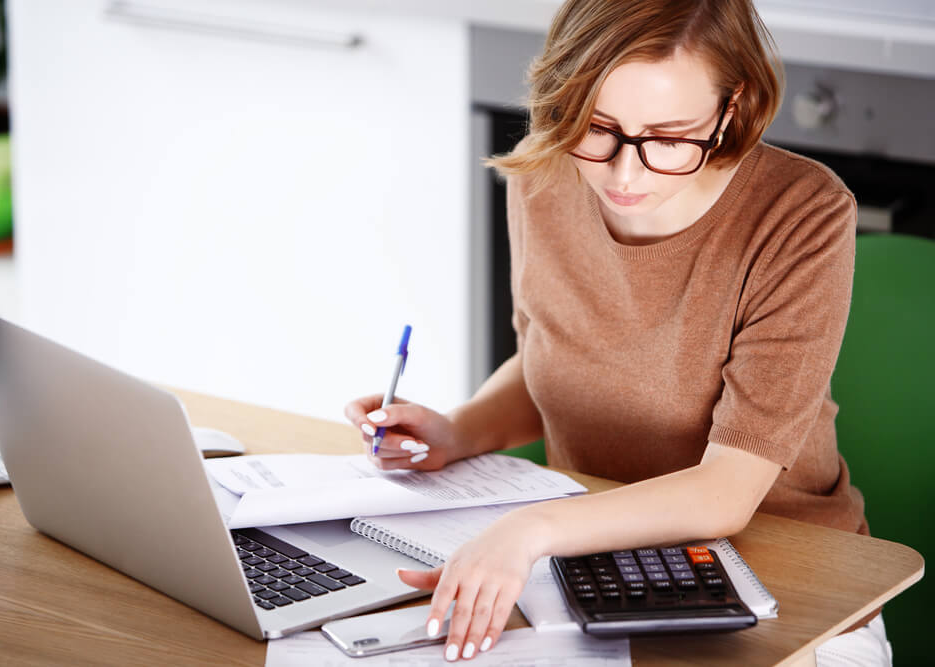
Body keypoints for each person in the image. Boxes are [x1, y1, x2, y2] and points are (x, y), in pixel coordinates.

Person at [346, 0, 891, 663]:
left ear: (731, 105)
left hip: (791, 578)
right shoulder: (544, 172)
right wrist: (460, 431)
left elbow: (726, 490)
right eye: (596, 127)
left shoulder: (800, 212)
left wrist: (530, 529)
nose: (623, 175)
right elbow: (560, 354)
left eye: (668, 137)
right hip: (593, 558)